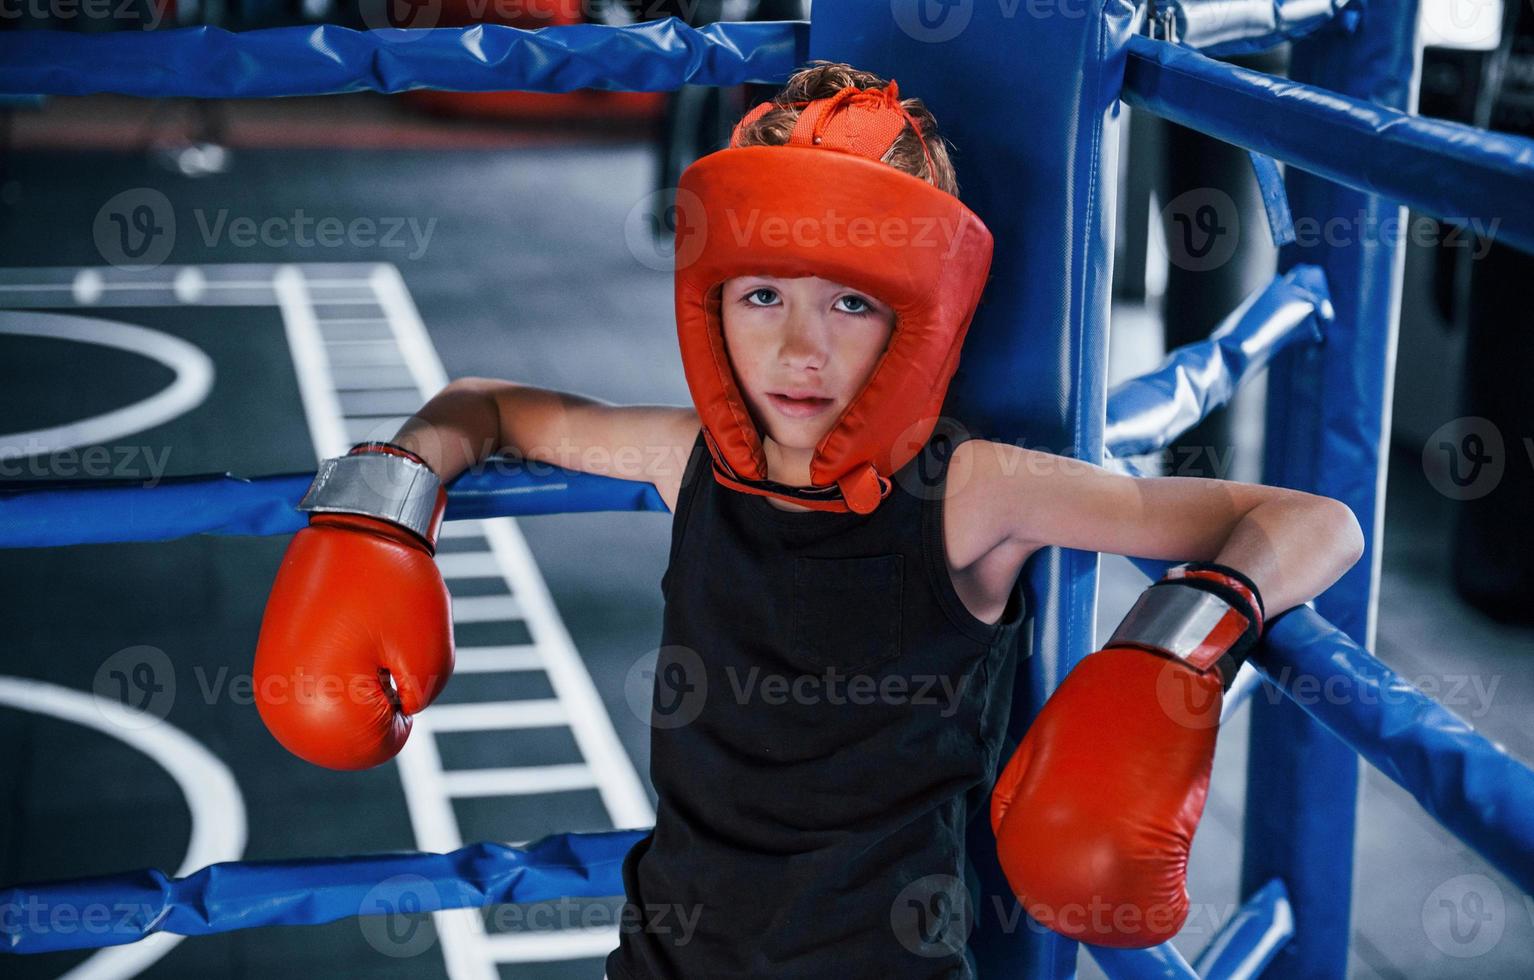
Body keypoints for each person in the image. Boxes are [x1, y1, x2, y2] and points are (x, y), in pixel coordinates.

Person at [251, 62, 1365, 975]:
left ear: (916, 321)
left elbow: (1312, 517)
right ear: (712, 301)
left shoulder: (971, 491)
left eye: (849, 301)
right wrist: (385, 500)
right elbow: (482, 404)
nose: (798, 348)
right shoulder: (684, 455)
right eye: (762, 294)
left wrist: (1178, 642)